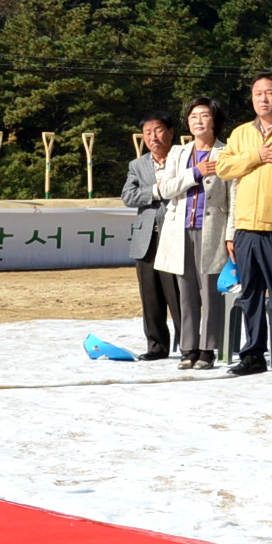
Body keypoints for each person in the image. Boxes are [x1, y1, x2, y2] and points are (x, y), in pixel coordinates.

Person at [215, 72, 272, 377]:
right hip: (245, 229)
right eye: (257, 93)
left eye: (270, 92)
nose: (263, 99)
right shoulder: (240, 134)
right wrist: (256, 155)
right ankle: (253, 354)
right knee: (250, 295)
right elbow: (223, 168)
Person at [155, 98, 232, 368]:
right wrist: (194, 173)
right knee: (185, 293)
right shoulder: (178, 153)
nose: (197, 121)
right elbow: (165, 189)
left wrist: (231, 234)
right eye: (193, 116)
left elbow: (232, 196)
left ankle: (208, 349)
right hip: (180, 231)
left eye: (204, 115)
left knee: (210, 293)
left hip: (212, 231)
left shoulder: (226, 152)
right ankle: (188, 348)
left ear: (215, 120)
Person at [120, 112, 184, 360]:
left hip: (175, 235)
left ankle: (188, 345)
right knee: (151, 295)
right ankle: (156, 346)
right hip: (146, 239)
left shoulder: (182, 158)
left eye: (158, 130)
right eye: (147, 133)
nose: (153, 137)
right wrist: (157, 191)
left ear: (170, 132)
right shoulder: (137, 165)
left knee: (177, 294)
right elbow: (128, 196)